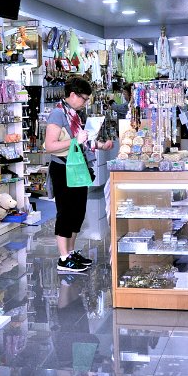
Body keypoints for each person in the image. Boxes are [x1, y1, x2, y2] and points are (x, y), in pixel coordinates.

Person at [44, 76, 113, 273]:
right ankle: (63, 257)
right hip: (63, 169)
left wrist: (100, 145)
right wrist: (75, 140)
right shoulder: (58, 114)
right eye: (84, 98)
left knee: (77, 213)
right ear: (73, 95)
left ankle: (71, 252)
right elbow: (50, 146)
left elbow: (82, 142)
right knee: (65, 213)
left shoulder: (73, 115)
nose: (85, 102)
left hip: (77, 168)